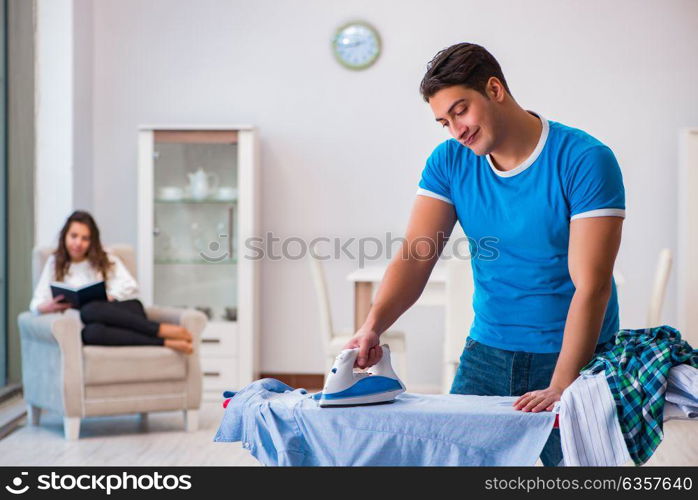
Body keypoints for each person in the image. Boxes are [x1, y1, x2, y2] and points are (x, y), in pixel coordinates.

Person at [343, 43, 625, 466]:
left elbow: (592, 284)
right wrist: (372, 326)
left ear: (494, 89)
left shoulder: (585, 160)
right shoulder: (450, 162)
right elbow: (417, 254)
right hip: (488, 352)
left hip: (577, 357)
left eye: (460, 110)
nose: (456, 129)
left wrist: (562, 383)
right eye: (444, 121)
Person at [30, 210, 194, 354]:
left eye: (85, 238)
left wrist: (111, 296)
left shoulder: (104, 257)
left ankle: (159, 329)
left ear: (92, 241)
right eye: (74, 236)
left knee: (90, 310)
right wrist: (46, 306)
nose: (78, 243)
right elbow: (35, 303)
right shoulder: (54, 262)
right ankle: (165, 341)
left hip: (126, 312)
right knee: (90, 334)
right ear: (65, 236)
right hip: (97, 324)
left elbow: (130, 286)